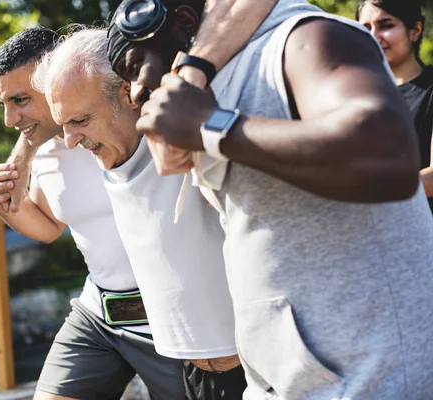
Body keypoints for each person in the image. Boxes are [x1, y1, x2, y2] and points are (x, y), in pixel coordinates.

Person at [111, 0, 433, 398]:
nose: (136, 91)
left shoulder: (306, 38)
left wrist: (211, 126)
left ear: (182, 22)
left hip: (377, 381)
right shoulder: (217, 82)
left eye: (134, 66)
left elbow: (390, 160)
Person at [35, 27, 251, 399]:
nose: (70, 139)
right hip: (191, 370)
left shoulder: (184, 135)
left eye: (81, 121)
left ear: (129, 94)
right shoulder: (109, 151)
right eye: (63, 123)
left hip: (251, 367)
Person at [0, 28, 185, 400]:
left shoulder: (125, 119)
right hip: (99, 317)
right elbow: (47, 226)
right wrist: (7, 205)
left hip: (174, 317)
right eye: (4, 104)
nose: (10, 118)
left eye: (21, 99)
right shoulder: (46, 150)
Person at [357, 0, 433, 213]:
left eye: (386, 25)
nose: (374, 36)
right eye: (365, 28)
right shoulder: (359, 96)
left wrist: (369, 193)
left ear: (415, 31)